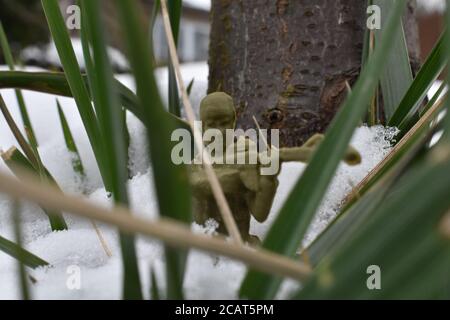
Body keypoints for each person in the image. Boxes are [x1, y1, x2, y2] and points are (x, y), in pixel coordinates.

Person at [189, 92, 361, 244]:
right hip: (205, 252)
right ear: (203, 126)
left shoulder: (248, 156)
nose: (219, 131)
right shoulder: (196, 165)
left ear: (233, 122)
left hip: (241, 249)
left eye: (224, 123)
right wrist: (240, 174)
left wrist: (268, 178)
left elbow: (259, 213)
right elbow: (202, 185)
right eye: (212, 124)